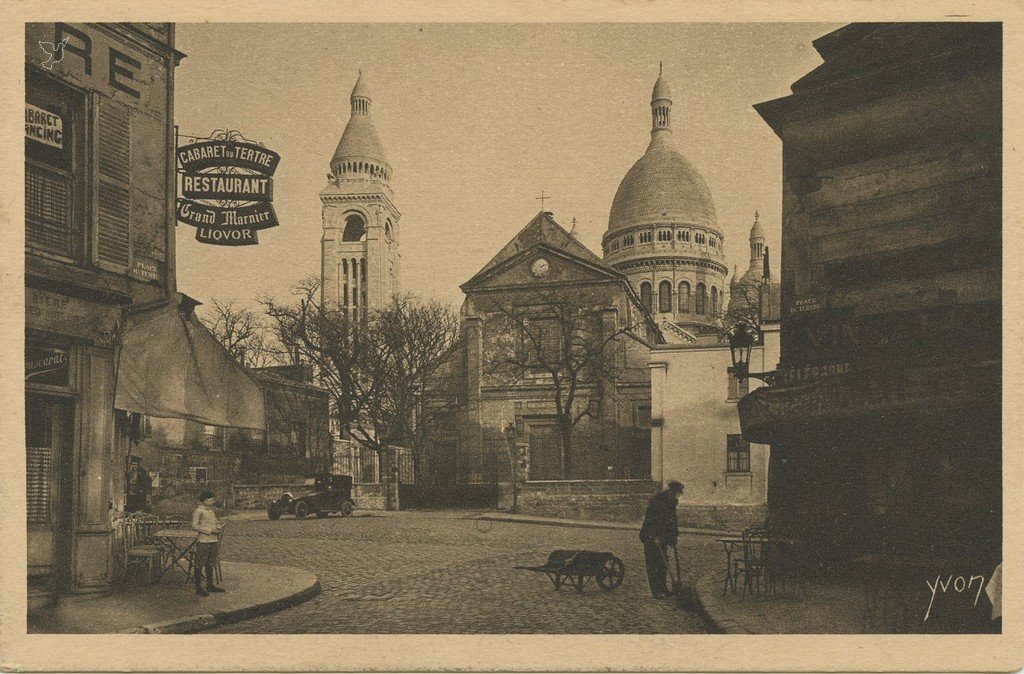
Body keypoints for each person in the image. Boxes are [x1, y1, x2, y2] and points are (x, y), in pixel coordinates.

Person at [639, 480, 683, 598]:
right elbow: (651, 521)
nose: (678, 496)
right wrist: (654, 537)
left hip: (662, 537)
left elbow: (672, 521)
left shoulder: (671, 502)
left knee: (663, 564)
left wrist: (674, 537)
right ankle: (656, 591)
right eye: (677, 493)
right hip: (650, 536)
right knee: (654, 565)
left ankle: (664, 588)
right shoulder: (657, 501)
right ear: (672, 491)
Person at [191, 490, 226, 596]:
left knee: (210, 563)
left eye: (212, 500)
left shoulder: (211, 511)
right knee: (199, 563)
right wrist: (210, 530)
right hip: (204, 540)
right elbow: (194, 525)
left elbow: (216, 522)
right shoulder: (198, 511)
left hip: (213, 540)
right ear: (204, 501)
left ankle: (210, 585)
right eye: (210, 500)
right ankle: (198, 587)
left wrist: (218, 528)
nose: (212, 502)